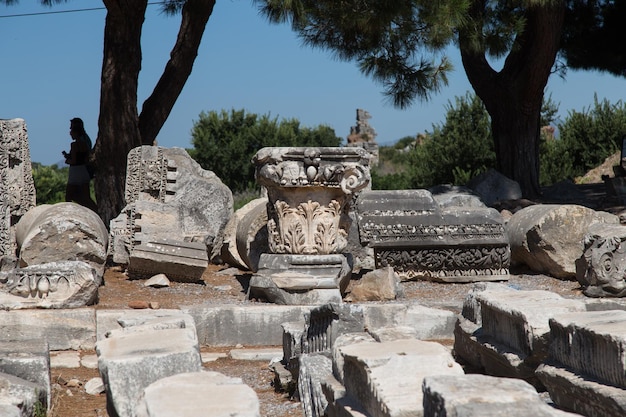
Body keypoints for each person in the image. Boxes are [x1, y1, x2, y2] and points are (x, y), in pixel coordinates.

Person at [63, 117, 98, 212]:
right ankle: (96, 211)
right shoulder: (85, 142)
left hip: (75, 171)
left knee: (69, 196)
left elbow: (74, 160)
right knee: (86, 197)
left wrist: (67, 161)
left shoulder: (74, 145)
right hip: (83, 170)